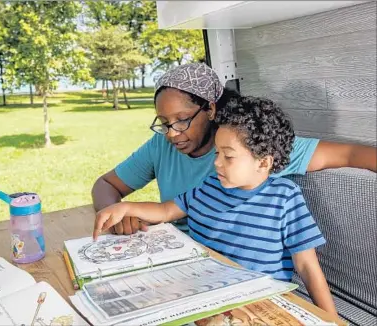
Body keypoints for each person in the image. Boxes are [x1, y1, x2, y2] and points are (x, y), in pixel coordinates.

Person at [93, 94, 338, 317]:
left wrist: (330, 319)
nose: (218, 163)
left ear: (263, 163)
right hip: (204, 296)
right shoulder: (211, 186)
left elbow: (307, 266)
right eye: (216, 154)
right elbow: (166, 211)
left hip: (257, 304)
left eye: (228, 156)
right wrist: (126, 208)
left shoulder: (285, 198)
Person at [91, 63, 377, 235]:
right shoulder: (160, 145)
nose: (172, 134)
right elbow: (105, 184)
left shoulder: (248, 146)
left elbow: (351, 154)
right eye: (164, 123)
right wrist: (116, 214)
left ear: (211, 109)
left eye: (182, 120)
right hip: (177, 256)